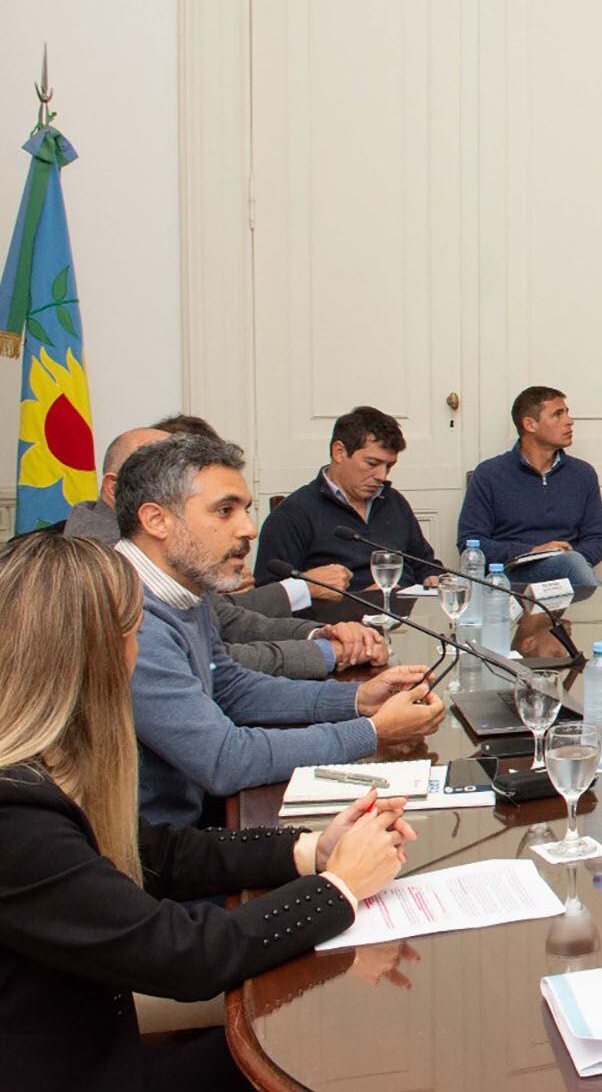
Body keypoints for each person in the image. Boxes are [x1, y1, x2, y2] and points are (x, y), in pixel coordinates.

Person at [0, 530, 418, 1092]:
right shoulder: (14, 813)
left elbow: (153, 850)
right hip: (76, 1067)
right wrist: (339, 887)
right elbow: (183, 956)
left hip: (86, 1035)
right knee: (326, 1044)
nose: (140, 649)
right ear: (95, 652)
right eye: (133, 633)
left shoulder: (30, 768)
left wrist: (310, 849)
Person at [116, 435, 445, 826]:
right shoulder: (130, 614)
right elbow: (224, 759)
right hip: (152, 853)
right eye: (225, 511)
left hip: (190, 821)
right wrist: (372, 731)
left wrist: (357, 699)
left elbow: (230, 687)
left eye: (245, 510)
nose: (249, 529)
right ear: (156, 520)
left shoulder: (182, 587)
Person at [70, 426, 384, 678]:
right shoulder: (103, 572)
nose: (249, 529)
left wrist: (322, 636)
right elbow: (216, 720)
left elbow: (227, 629)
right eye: (223, 510)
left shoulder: (171, 561)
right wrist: (332, 654)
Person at [254, 406, 441, 593]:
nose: (382, 476)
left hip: (404, 616)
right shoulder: (292, 514)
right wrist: (360, 601)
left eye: (389, 466)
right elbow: (271, 597)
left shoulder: (393, 501)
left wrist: (431, 576)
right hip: (336, 619)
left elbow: (424, 564)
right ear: (339, 452)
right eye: (372, 464)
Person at [458, 386, 602, 590]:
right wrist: (533, 551)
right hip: (511, 576)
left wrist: (570, 557)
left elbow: (597, 538)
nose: (569, 421)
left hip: (568, 574)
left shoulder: (583, 474)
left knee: (570, 562)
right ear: (530, 424)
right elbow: (470, 542)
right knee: (575, 568)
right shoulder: (489, 474)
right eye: (557, 414)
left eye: (567, 413)